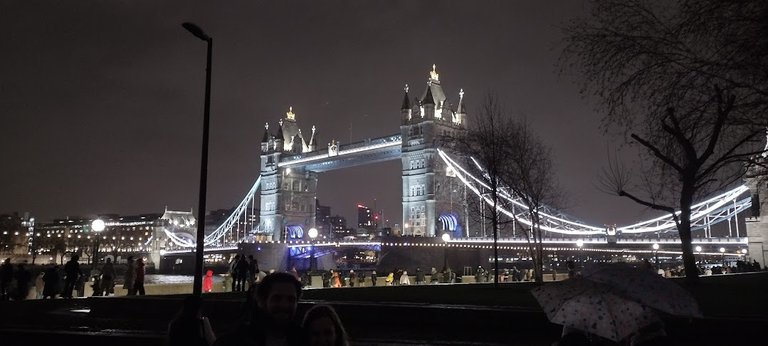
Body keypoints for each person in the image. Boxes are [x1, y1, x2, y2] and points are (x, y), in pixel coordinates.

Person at [213, 272, 308, 346]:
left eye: (291, 299)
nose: (284, 305)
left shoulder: (305, 339)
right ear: (261, 301)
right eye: (277, 299)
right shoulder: (235, 341)